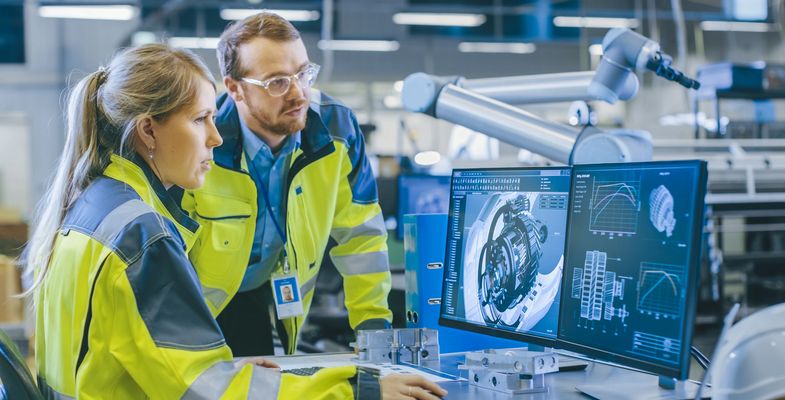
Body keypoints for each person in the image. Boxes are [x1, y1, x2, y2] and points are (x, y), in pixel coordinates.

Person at [23, 43, 446, 400]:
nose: (216, 137)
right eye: (199, 119)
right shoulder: (141, 236)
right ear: (148, 131)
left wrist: (235, 369)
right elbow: (211, 392)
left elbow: (142, 358)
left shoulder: (91, 209)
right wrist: (360, 389)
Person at [181, 11, 392, 356]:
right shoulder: (203, 141)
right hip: (195, 309)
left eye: (303, 73)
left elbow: (362, 238)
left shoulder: (336, 129)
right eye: (277, 82)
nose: (299, 94)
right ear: (234, 88)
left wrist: (374, 334)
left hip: (265, 296)